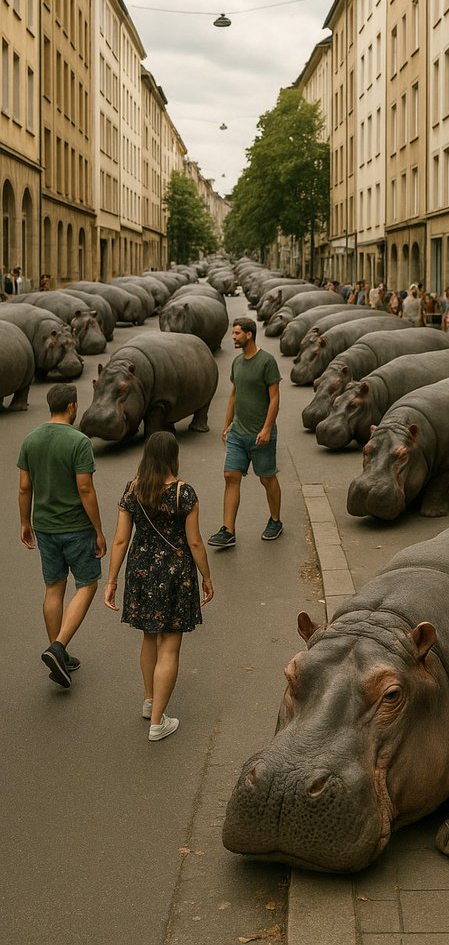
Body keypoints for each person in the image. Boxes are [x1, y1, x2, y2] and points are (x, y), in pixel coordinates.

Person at [104, 432, 213, 741]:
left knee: (149, 637)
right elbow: (194, 541)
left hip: (140, 570)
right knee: (170, 644)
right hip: (175, 573)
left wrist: (111, 580)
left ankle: (150, 699)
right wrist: (206, 576)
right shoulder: (184, 494)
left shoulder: (132, 490)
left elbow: (121, 540)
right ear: (173, 457)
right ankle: (157, 722)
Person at [17, 383, 106, 689]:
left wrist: (24, 522)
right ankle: (58, 647)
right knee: (88, 585)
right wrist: (99, 530)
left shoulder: (31, 439)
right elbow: (85, 489)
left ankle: (59, 653)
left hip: (44, 526)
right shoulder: (79, 441)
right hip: (76, 528)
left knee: (53, 588)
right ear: (71, 407)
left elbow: (24, 487)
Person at [208, 317, 282, 547]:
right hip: (238, 434)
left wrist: (267, 428)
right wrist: (226, 424)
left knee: (267, 478)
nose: (234, 337)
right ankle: (228, 530)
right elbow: (234, 394)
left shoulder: (267, 361)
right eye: (233, 333)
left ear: (249, 335)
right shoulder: (237, 363)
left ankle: (275, 521)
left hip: (261, 435)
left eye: (237, 333)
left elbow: (275, 398)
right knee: (230, 476)